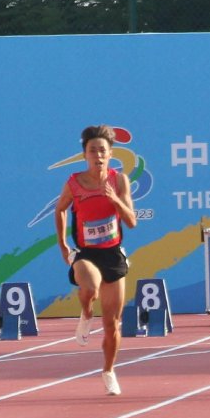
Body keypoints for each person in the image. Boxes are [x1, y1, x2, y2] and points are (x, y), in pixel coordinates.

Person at [54, 124, 137, 396]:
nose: (98, 155)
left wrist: (116, 200)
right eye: (92, 151)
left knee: (112, 323)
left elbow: (131, 222)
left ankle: (109, 370)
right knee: (89, 288)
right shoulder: (74, 182)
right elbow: (60, 210)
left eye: (102, 150)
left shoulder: (119, 181)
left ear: (111, 154)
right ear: (85, 156)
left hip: (112, 253)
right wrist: (63, 244)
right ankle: (87, 311)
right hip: (86, 253)